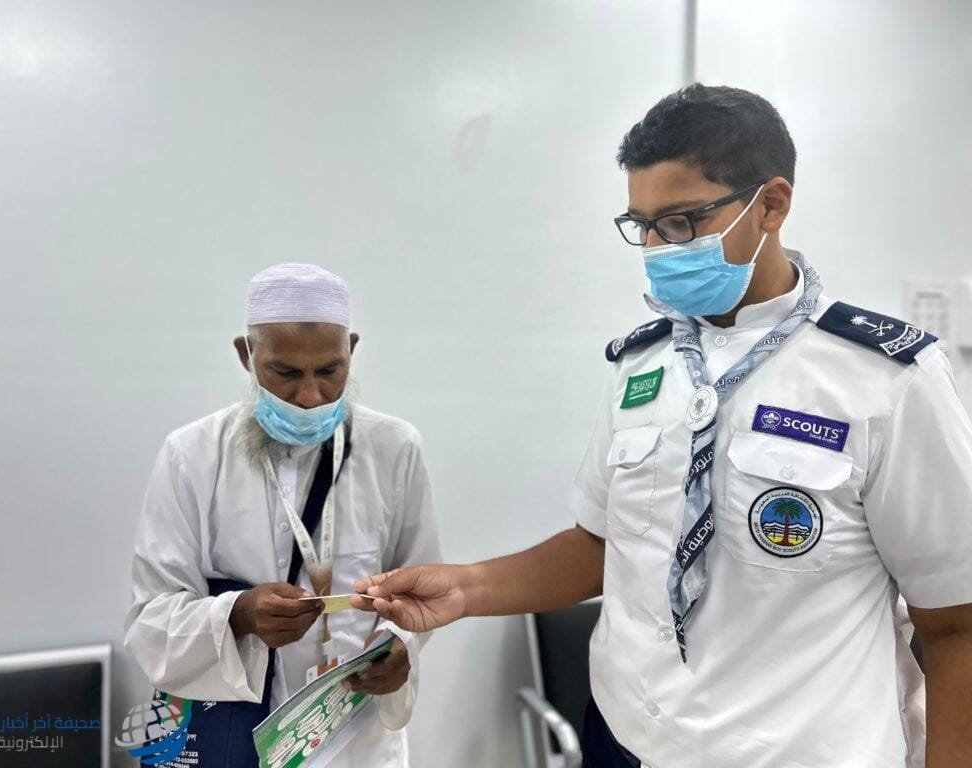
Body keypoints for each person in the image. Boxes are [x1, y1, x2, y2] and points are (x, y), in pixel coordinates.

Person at [352, 85, 972, 768]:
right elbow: (606, 543)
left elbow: (957, 625)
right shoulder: (643, 363)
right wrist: (466, 588)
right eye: (640, 224)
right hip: (624, 739)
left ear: (771, 205)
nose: (655, 247)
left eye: (680, 222)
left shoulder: (887, 380)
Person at [125, 263, 440, 767]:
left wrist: (399, 646)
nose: (310, 396)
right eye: (286, 373)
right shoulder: (191, 455)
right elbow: (151, 619)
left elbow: (422, 588)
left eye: (330, 371)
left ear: (351, 350)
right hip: (231, 735)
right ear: (246, 355)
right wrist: (240, 614)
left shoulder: (395, 448)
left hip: (356, 742)